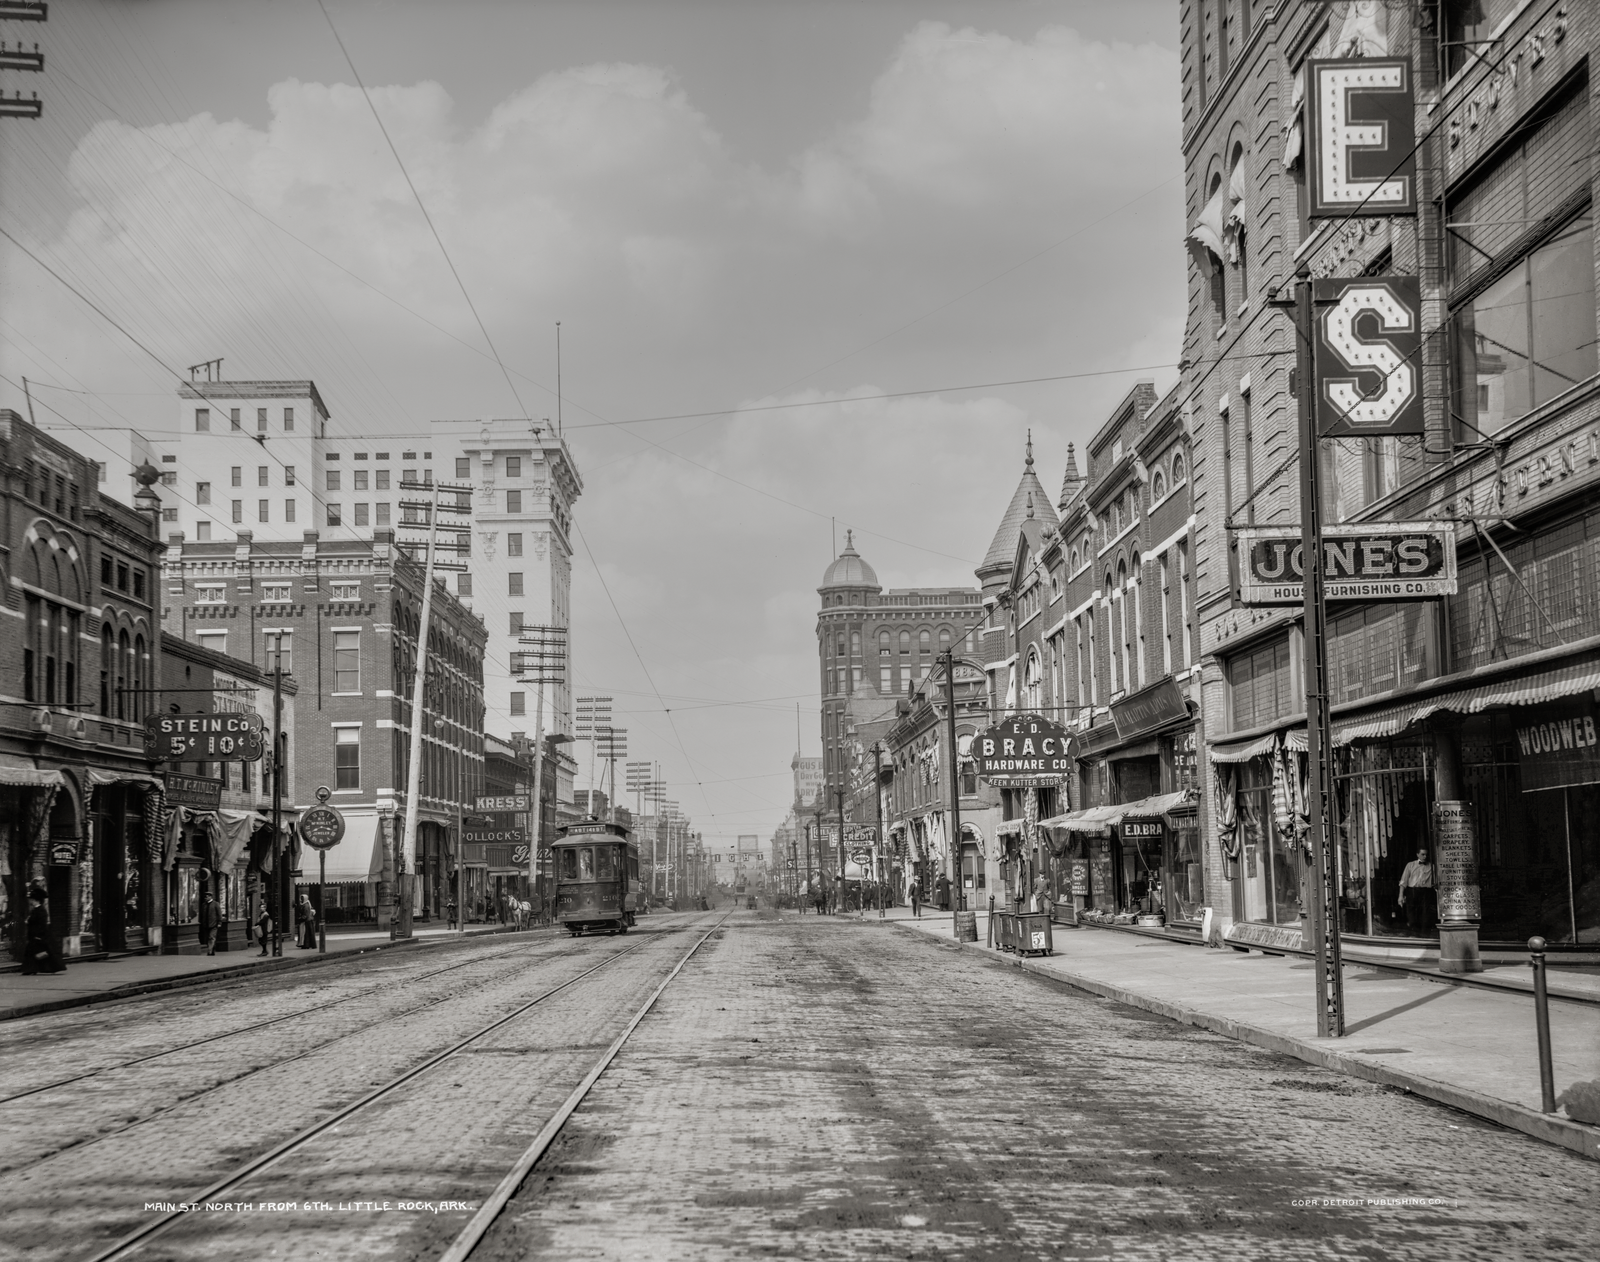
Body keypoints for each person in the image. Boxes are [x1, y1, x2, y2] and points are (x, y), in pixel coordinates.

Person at [22, 884, 62, 975]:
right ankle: (31, 969)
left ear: (36, 900)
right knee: (35, 952)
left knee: (35, 952)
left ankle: (31, 969)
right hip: (34, 935)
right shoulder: (35, 910)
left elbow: (42, 924)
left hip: (37, 935)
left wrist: (38, 935)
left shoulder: (41, 911)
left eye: (31, 899)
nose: (30, 901)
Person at [1398, 847, 1436, 934]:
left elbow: (1436, 881)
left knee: (1425, 915)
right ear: (1417, 854)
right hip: (1413, 891)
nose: (1425, 856)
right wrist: (1400, 896)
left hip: (1426, 892)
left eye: (1426, 854)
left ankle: (1424, 934)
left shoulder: (1432, 866)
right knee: (1411, 914)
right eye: (1422, 854)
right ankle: (1413, 933)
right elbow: (1403, 881)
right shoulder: (1410, 865)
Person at [200, 890, 222, 956]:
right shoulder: (204, 905)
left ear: (210, 897)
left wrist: (219, 922)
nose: (205, 898)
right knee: (208, 938)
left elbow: (219, 914)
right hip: (205, 925)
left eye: (206, 897)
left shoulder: (215, 904)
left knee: (211, 937)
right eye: (205, 897)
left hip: (213, 924)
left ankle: (209, 952)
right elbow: (202, 915)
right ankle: (212, 949)